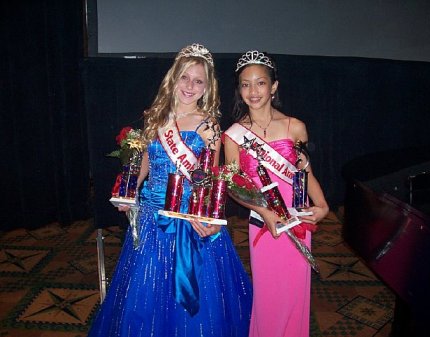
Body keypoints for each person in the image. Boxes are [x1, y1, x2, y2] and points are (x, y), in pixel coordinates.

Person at [88, 44, 252, 337]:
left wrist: (208, 218)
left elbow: (211, 176)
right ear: (173, 79)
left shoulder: (208, 126)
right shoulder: (155, 118)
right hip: (152, 219)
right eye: (185, 78)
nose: (190, 86)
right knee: (146, 292)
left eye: (198, 81)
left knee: (199, 300)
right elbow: (145, 163)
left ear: (207, 87)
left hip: (191, 219)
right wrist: (128, 192)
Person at [223, 50, 329, 337]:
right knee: (269, 299)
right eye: (245, 84)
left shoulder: (295, 127)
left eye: (260, 83)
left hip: (297, 220)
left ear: (274, 87)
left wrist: (322, 206)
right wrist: (263, 212)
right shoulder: (233, 134)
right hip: (264, 224)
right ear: (239, 89)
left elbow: (305, 174)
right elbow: (233, 185)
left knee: (295, 297)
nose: (253, 91)